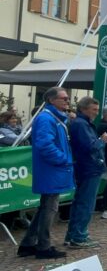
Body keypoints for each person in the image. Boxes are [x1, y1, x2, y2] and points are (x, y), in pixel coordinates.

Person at [17, 87, 73, 259]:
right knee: (49, 209)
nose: (67, 100)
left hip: (53, 169)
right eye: (63, 98)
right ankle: (43, 246)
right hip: (51, 170)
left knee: (45, 209)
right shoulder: (47, 119)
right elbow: (44, 145)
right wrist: (63, 159)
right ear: (51, 100)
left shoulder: (53, 118)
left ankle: (28, 244)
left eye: (67, 98)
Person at [64, 96, 107, 248]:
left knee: (80, 202)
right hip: (89, 167)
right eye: (94, 110)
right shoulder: (81, 124)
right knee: (85, 203)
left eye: (97, 109)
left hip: (86, 167)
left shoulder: (81, 123)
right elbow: (89, 147)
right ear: (84, 109)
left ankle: (73, 235)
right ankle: (78, 236)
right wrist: (102, 140)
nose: (96, 113)